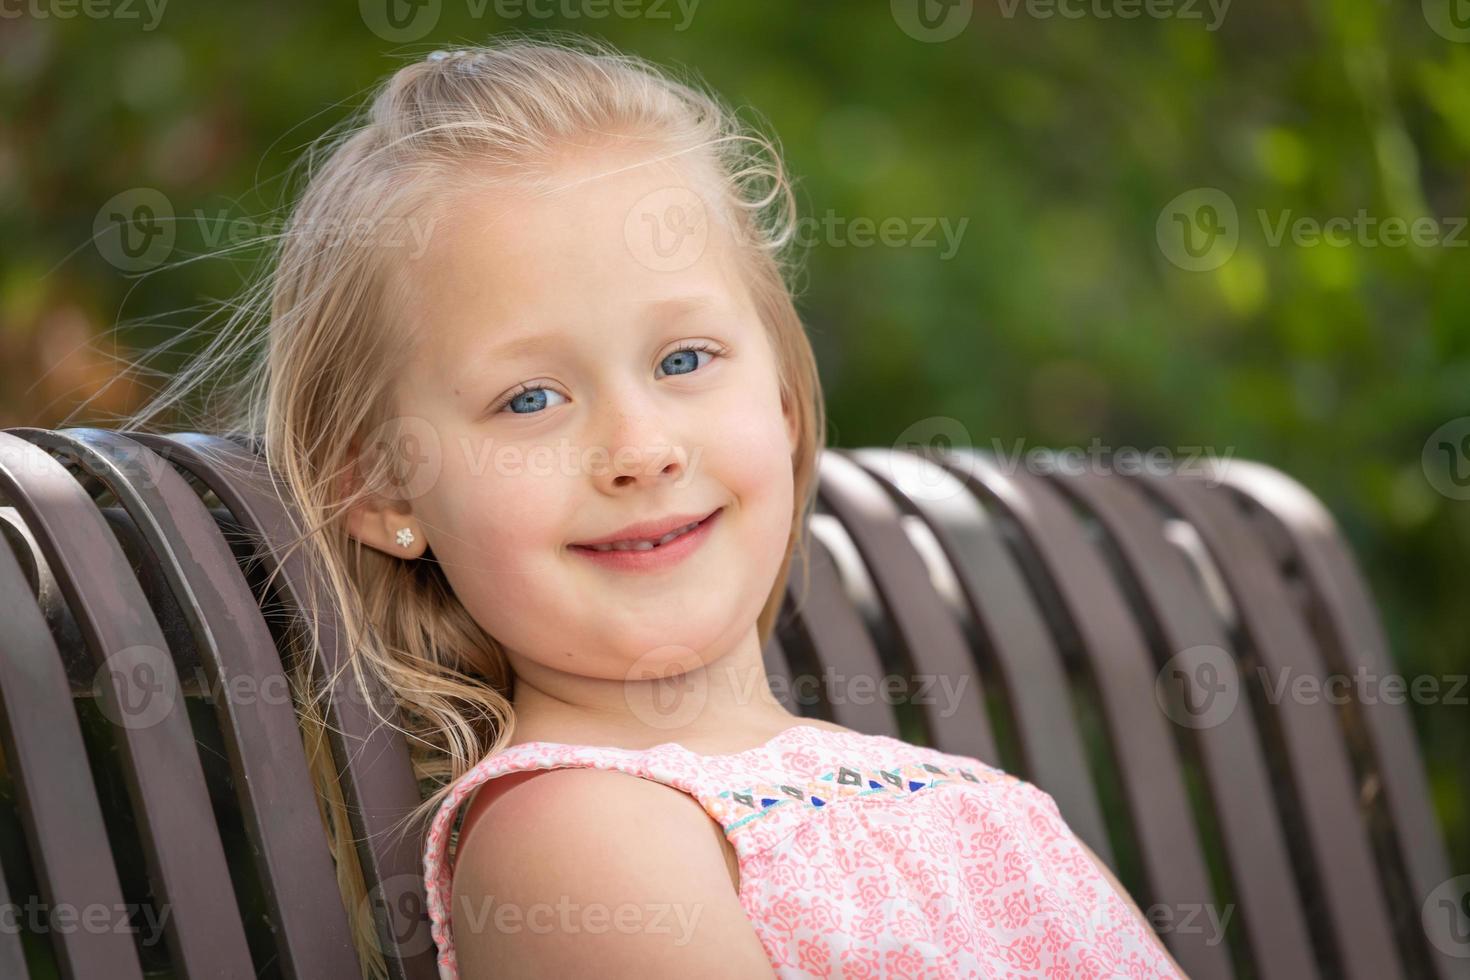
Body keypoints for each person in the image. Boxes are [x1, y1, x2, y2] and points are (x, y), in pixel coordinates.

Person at [122, 33, 1187, 980]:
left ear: (779, 396)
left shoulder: (959, 799)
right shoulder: (578, 838)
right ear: (379, 486)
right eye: (529, 397)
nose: (639, 449)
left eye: (685, 357)